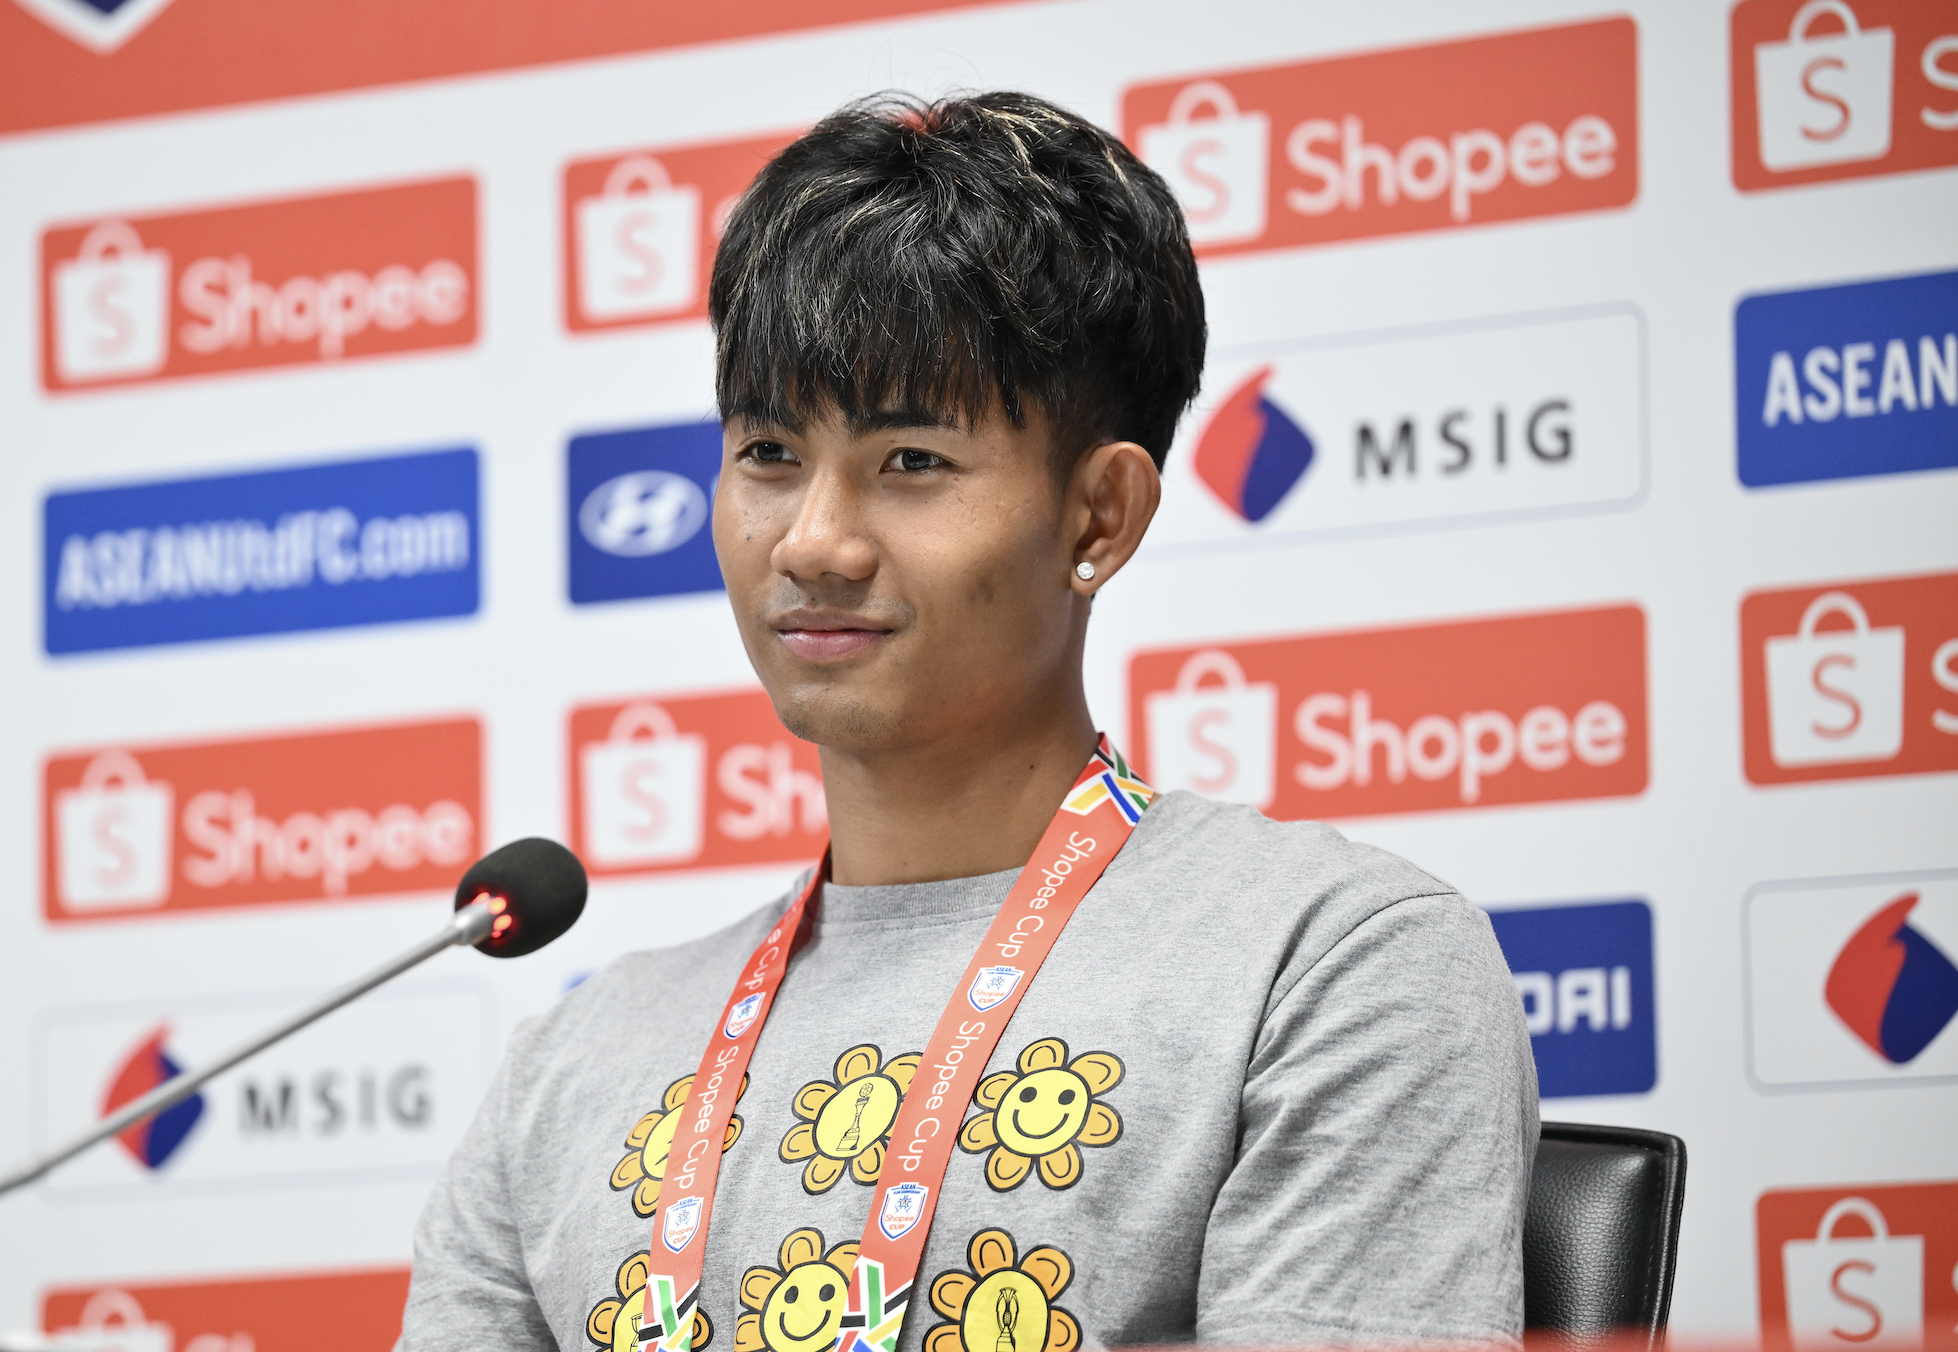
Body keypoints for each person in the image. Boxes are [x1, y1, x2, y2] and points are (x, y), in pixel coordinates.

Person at [402, 91, 1536, 1351]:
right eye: (769, 452)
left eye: (911, 462)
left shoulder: (1332, 965)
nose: (812, 542)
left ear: (1098, 516)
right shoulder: (570, 1066)